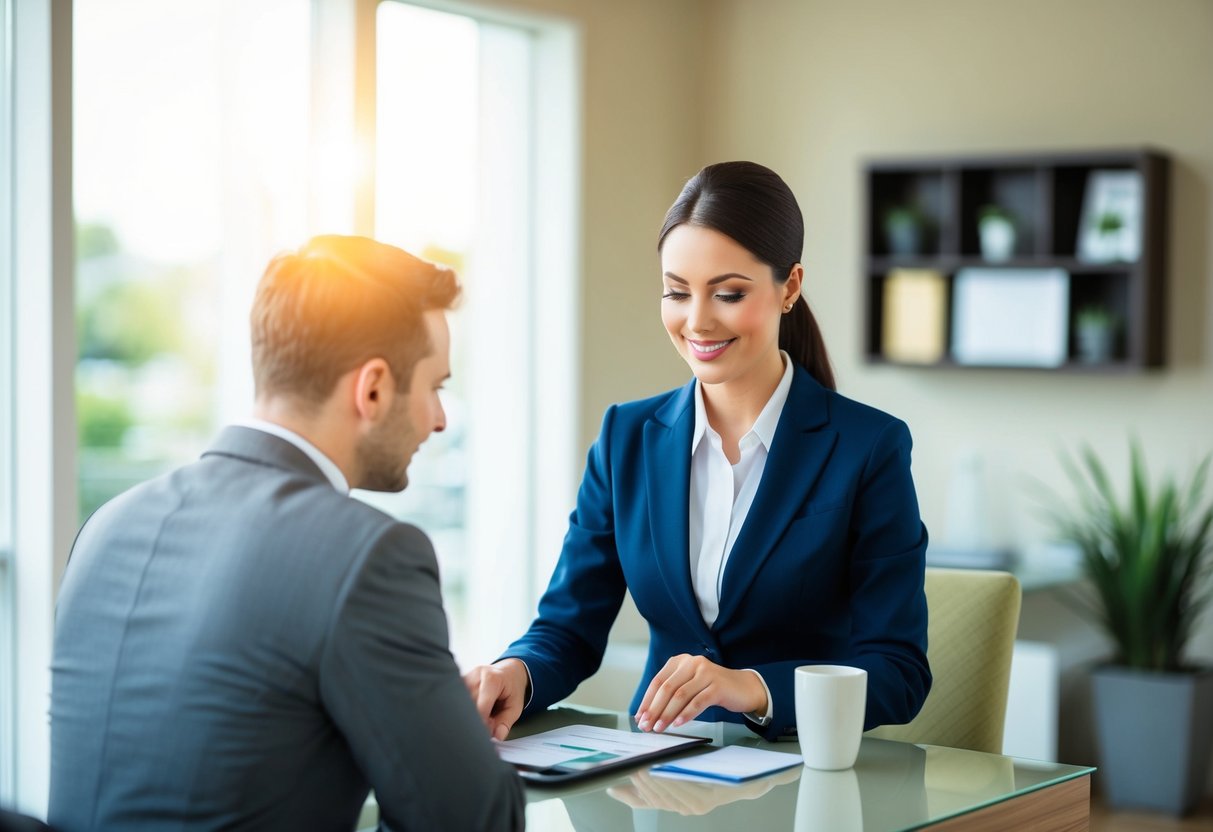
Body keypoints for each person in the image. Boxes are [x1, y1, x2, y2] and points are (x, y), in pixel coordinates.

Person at [49, 236, 525, 832]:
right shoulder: (369, 556)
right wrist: (441, 728)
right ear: (372, 388)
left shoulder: (107, 525)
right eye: (436, 386)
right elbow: (473, 821)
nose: (439, 419)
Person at [465, 161, 930, 742]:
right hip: (656, 773)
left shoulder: (868, 448)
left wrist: (751, 687)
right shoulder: (625, 437)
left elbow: (898, 672)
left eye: (729, 293)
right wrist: (516, 673)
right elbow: (567, 628)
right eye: (676, 293)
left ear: (789, 287)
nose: (697, 321)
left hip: (802, 779)